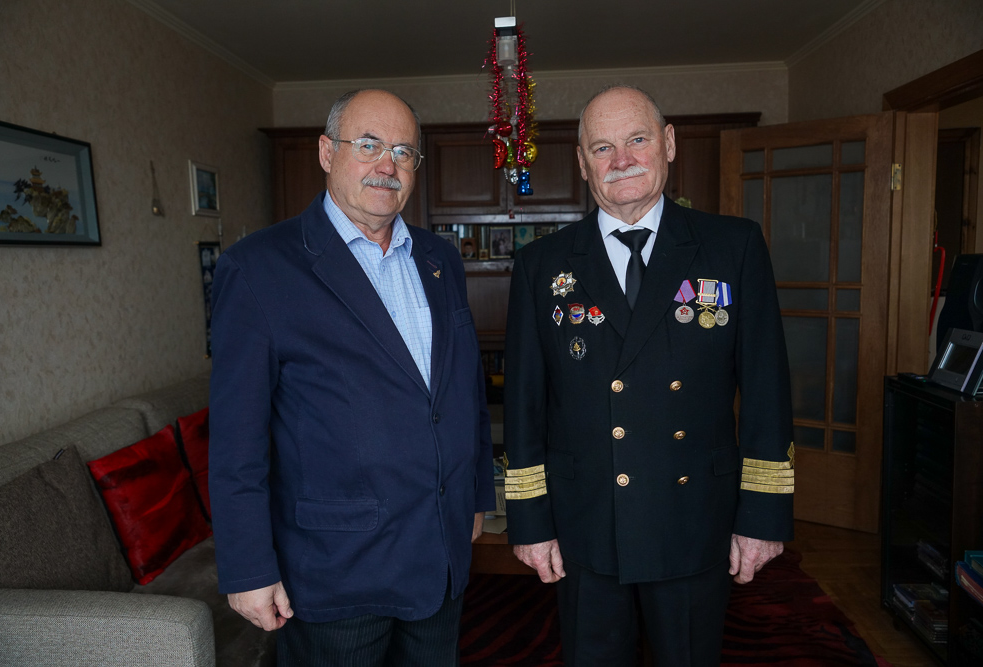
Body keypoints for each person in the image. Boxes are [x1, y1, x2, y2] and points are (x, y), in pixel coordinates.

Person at [503, 85, 795, 666]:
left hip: (694, 518)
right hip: (586, 522)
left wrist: (763, 515)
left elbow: (767, 389)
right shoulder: (542, 263)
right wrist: (530, 521)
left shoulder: (732, 246)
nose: (622, 160)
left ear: (668, 144)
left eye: (637, 140)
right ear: (583, 162)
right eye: (602, 148)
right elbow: (524, 405)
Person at [209, 89, 495, 666]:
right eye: (368, 145)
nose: (387, 165)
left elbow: (463, 392)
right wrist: (248, 568)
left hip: (438, 554)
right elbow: (237, 438)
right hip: (334, 569)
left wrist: (474, 497)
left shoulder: (439, 260)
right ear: (326, 152)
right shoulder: (259, 266)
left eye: (403, 152)